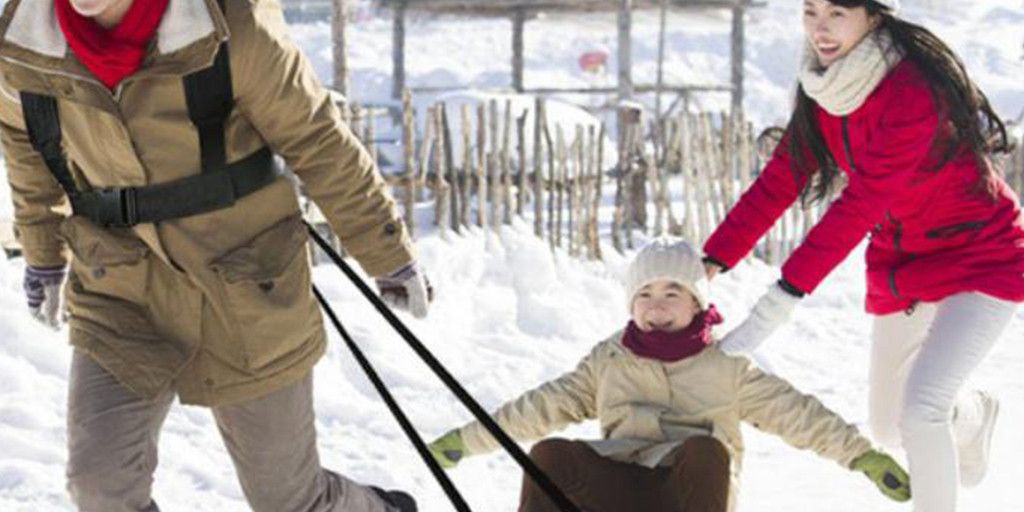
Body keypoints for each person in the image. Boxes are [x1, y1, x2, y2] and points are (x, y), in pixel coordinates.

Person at [0, 0, 430, 510]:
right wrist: (43, 253)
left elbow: (316, 138)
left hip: (243, 282)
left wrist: (387, 251)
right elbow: (26, 144)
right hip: (119, 284)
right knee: (100, 484)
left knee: (289, 499)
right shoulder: (24, 43)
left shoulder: (228, 22)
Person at [702, 1, 1024, 511]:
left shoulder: (914, 90)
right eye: (810, 12)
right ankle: (973, 417)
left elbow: (862, 202)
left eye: (837, 12)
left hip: (981, 253)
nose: (820, 28)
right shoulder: (826, 87)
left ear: (875, 15)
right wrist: (712, 261)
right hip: (904, 264)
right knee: (889, 424)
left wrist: (780, 300)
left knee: (921, 411)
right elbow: (783, 176)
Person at [427, 237, 910, 512]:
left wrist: (862, 457)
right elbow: (540, 408)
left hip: (683, 496)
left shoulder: (727, 365)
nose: (656, 307)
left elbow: (798, 414)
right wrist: (466, 441)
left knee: (705, 451)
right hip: (618, 486)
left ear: (697, 302)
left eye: (672, 294)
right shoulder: (609, 360)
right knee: (550, 454)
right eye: (645, 295)